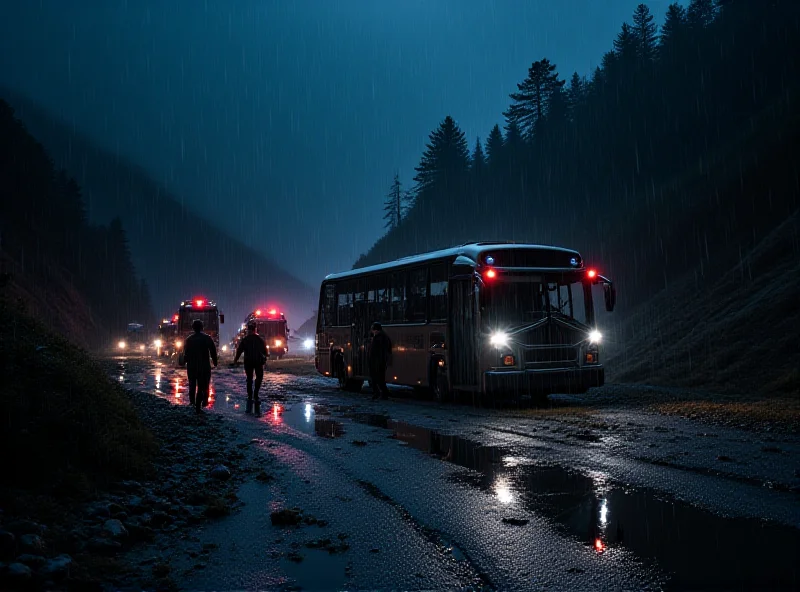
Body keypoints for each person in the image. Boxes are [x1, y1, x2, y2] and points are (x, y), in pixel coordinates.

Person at [183, 319, 218, 413]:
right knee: (203, 385)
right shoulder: (207, 338)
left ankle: (192, 403)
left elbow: (185, 354)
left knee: (192, 384)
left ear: (193, 328)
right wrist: (215, 363)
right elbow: (213, 352)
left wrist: (183, 362)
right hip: (204, 366)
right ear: (202, 327)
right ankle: (202, 403)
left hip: (192, 367)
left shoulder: (189, 339)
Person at [233, 320, 268, 415]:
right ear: (255, 329)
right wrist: (265, 358)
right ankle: (256, 394)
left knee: (249, 378)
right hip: (258, 362)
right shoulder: (260, 340)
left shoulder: (245, 340)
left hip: (248, 362)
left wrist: (235, 360)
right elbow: (265, 352)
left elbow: (239, 351)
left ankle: (250, 395)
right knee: (259, 377)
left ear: (248, 330)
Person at [368, 321, 392, 400]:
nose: (372, 331)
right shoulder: (382, 337)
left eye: (373, 329)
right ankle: (381, 393)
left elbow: (380, 351)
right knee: (378, 378)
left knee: (377, 378)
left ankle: (381, 393)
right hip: (378, 361)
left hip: (378, 361)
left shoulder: (380, 338)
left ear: (376, 330)